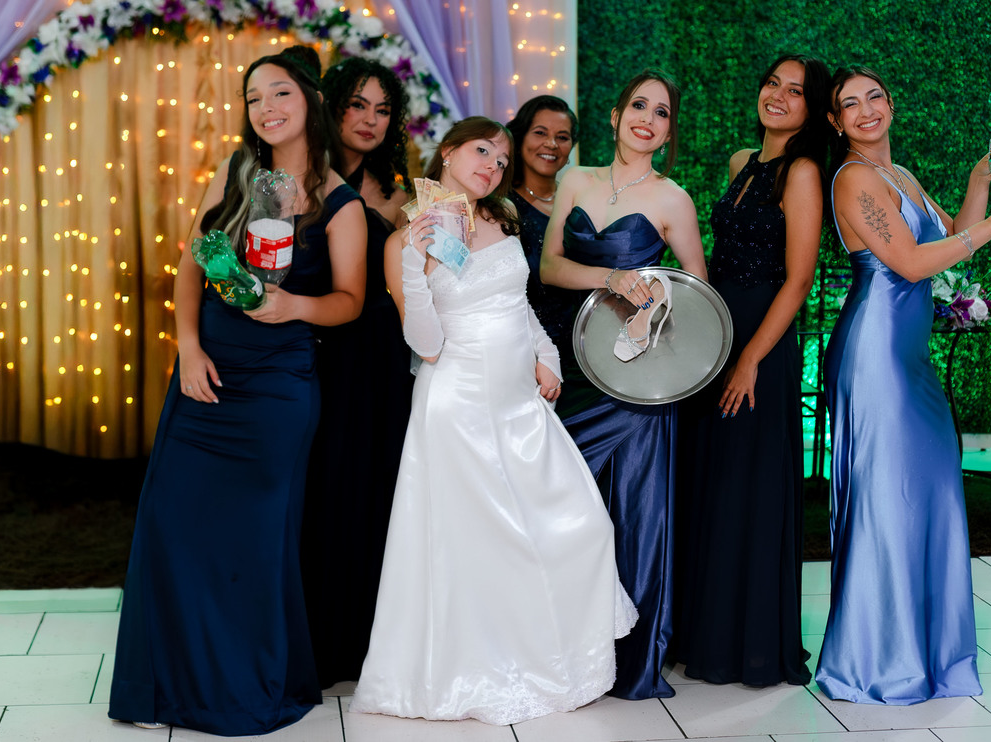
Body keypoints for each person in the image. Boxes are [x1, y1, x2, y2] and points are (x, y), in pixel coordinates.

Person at [107, 46, 366, 735]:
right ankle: (163, 687)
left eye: (279, 93)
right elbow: (191, 266)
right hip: (206, 373)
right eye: (253, 98)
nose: (265, 108)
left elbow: (350, 301)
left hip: (278, 388)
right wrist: (188, 348)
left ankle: (244, 687)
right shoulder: (234, 171)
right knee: (171, 526)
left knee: (253, 543)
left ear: (310, 100)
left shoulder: (340, 201)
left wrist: (293, 306)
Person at [349, 116, 636, 725]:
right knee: (483, 545)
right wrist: (414, 263)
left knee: (580, 523)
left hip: (519, 402)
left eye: (502, 160)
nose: (494, 166)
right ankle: (483, 673)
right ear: (449, 153)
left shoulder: (500, 220)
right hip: (457, 406)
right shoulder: (404, 240)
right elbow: (425, 344)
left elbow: (516, 301)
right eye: (483, 151)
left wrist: (546, 354)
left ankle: (553, 661)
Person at [815, 65, 991, 705]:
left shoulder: (900, 174)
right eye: (849, 104)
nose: (865, 110)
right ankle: (876, 662)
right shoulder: (852, 178)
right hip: (875, 357)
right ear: (835, 122)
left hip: (910, 357)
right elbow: (910, 263)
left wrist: (981, 181)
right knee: (888, 500)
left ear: (891, 102)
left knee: (929, 493)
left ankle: (930, 654)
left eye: (874, 97)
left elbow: (949, 237)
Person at [539, 70, 707, 700]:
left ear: (668, 132)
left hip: (637, 378)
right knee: (557, 496)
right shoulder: (575, 180)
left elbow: (696, 293)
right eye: (639, 105)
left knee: (636, 516)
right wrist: (608, 278)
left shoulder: (673, 199)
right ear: (614, 116)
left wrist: (652, 297)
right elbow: (549, 267)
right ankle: (557, 651)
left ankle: (632, 661)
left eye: (662, 113)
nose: (648, 119)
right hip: (570, 362)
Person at [677, 53, 829, 687]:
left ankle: (747, 646)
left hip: (761, 345)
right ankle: (702, 629)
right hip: (716, 335)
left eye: (795, 91)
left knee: (748, 483)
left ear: (812, 109)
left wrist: (749, 360)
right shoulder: (741, 161)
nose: (778, 96)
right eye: (772, 84)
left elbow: (798, 280)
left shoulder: (803, 172)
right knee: (711, 479)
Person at [301, 56, 413, 689]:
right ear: (331, 105)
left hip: (375, 358)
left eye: (383, 109)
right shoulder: (295, 178)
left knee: (370, 489)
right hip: (305, 347)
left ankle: (363, 645)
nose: (370, 119)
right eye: (358, 104)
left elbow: (438, 270)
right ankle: (309, 640)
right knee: (313, 488)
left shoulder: (397, 192)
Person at [506, 95, 577, 342]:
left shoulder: (581, 203)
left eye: (562, 137)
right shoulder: (500, 207)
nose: (551, 144)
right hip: (526, 345)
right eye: (540, 133)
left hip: (584, 340)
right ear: (520, 139)